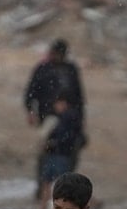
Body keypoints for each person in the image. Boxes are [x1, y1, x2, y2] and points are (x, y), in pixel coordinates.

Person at [23, 39, 86, 195]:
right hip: (48, 119)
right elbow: (31, 91)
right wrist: (31, 111)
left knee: (69, 154)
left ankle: (66, 188)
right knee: (46, 153)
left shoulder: (70, 70)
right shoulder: (43, 69)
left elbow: (79, 96)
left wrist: (79, 119)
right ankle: (43, 189)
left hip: (70, 121)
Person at [36, 94, 83, 209]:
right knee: (48, 182)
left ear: (64, 103)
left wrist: (54, 143)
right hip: (55, 154)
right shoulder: (62, 117)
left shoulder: (69, 118)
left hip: (61, 155)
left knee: (64, 186)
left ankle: (89, 203)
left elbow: (68, 138)